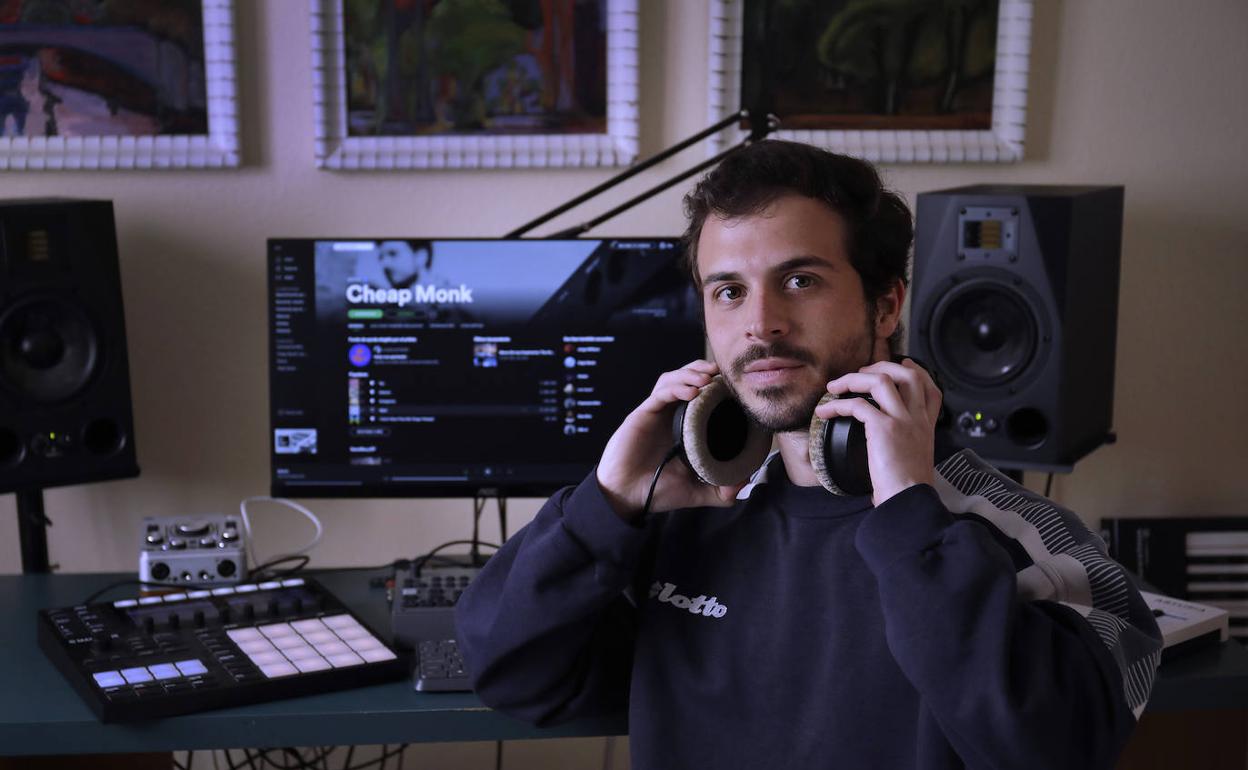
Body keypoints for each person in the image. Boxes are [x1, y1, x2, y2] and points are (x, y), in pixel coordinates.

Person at [455, 140, 1162, 769]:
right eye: (728, 291)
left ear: (886, 307)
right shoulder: (674, 519)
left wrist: (913, 521)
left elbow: (1056, 750)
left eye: (801, 280)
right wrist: (606, 504)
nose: (761, 324)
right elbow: (510, 671)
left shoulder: (1036, 542)